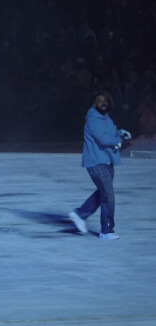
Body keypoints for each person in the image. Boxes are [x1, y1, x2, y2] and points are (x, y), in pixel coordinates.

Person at [69, 90, 132, 240]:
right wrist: (118, 140)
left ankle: (80, 214)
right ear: (94, 103)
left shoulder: (106, 118)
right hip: (97, 162)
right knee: (108, 195)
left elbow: (112, 131)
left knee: (103, 193)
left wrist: (121, 132)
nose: (103, 103)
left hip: (107, 161)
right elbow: (104, 139)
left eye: (105, 101)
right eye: (99, 101)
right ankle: (107, 230)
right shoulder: (93, 120)